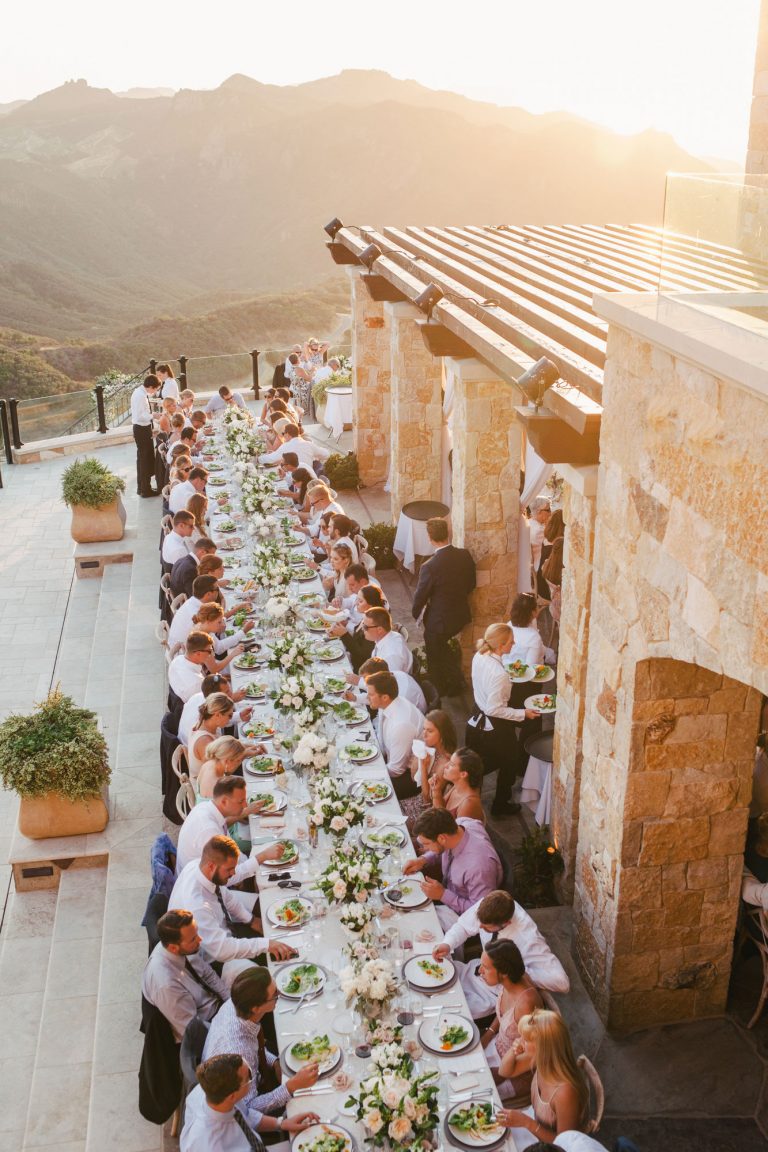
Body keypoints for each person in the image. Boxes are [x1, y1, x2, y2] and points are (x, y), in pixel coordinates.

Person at [203, 967, 321, 1131]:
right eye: (274, 995)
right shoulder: (238, 1051)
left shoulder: (236, 1003)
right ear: (256, 1008)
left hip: (256, 1072)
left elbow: (254, 1048)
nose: (279, 994)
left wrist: (274, 1062)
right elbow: (247, 1108)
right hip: (242, 1103)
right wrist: (291, 1086)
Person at [168, 836, 296, 974]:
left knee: (278, 932)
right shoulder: (197, 905)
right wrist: (266, 945)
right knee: (279, 963)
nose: (233, 873)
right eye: (229, 869)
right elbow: (222, 950)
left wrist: (251, 920)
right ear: (211, 866)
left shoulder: (198, 866)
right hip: (215, 961)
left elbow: (227, 898)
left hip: (227, 934)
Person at [433, 889, 569, 1018]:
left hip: (490, 992)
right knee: (433, 984)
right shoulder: (490, 904)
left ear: (506, 923)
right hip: (473, 971)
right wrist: (447, 943)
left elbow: (562, 982)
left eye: (485, 927)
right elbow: (463, 926)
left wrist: (512, 969)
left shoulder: (528, 936)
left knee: (445, 1009)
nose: (479, 926)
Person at [466, 623, 539, 816]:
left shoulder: (479, 656)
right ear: (500, 645)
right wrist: (523, 713)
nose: (514, 643)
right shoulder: (500, 675)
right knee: (508, 760)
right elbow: (494, 709)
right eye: (510, 641)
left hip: (476, 713)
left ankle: (467, 782)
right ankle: (500, 804)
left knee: (483, 760)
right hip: (493, 723)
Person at [180, 1053, 318, 1152]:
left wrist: (281, 1123)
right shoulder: (206, 1145)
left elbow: (246, 1114)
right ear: (232, 1096)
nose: (253, 1077)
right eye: (249, 1076)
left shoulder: (213, 1091)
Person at [497, 1010, 590, 1143]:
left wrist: (526, 1122)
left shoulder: (565, 1093)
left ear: (543, 1048)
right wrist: (513, 1050)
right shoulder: (541, 1060)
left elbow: (564, 1144)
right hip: (532, 1123)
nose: (521, 1041)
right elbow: (504, 1071)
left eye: (526, 1039)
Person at [404, 808, 503, 929]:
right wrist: (423, 860)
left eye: (427, 844)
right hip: (445, 892)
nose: (425, 848)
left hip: (461, 916)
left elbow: (480, 912)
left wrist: (442, 895)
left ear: (441, 838)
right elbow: (441, 848)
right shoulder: (461, 824)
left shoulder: (478, 867)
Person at [142, 909, 229, 1041]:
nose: (200, 939)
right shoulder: (166, 985)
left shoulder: (179, 947)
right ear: (173, 948)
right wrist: (232, 1031)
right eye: (193, 939)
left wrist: (230, 1002)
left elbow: (208, 974)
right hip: (209, 1027)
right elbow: (193, 1029)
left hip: (216, 1004)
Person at [412, 518, 476, 695]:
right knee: (442, 647)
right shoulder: (464, 555)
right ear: (448, 533)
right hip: (461, 615)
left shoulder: (429, 566)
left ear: (430, 538)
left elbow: (421, 595)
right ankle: (455, 680)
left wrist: (416, 614)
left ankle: (442, 688)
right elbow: (471, 584)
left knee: (433, 648)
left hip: (441, 621)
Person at [479, 940, 543, 1100]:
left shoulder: (526, 1004)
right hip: (495, 1048)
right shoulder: (510, 982)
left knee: (470, 1096)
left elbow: (534, 1055)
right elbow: (504, 1015)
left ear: (504, 972)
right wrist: (487, 1036)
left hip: (515, 1073)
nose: (480, 971)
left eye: (485, 968)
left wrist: (499, 1074)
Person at [176, 777, 272, 880]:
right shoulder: (209, 830)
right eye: (240, 801)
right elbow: (230, 877)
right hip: (200, 884)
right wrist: (263, 857)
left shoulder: (206, 807)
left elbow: (225, 829)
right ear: (224, 801)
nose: (245, 805)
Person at [365, 671, 424, 800]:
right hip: (391, 761)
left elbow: (396, 770)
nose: (367, 697)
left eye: (371, 694)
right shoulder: (388, 703)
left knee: (363, 792)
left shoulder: (401, 725)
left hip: (409, 777)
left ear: (385, 697)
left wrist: (369, 773)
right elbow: (381, 741)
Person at [401, 709, 458, 823]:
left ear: (442, 734)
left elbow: (427, 799)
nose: (424, 734)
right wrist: (418, 759)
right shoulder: (430, 750)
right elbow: (413, 778)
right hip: (416, 799)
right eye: (424, 729)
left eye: (430, 731)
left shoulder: (445, 763)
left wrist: (423, 765)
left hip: (427, 813)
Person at [187, 693, 236, 780]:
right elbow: (224, 771)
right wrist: (244, 754)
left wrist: (245, 748)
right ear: (217, 715)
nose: (230, 719)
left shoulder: (205, 724)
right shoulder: (205, 742)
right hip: (207, 789)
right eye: (229, 715)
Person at [432, 746, 486, 824]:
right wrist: (436, 791)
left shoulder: (468, 804)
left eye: (452, 764)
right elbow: (441, 811)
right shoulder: (457, 787)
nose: (445, 766)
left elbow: (450, 831)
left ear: (463, 774)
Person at [356, 656, 426, 714]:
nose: (365, 683)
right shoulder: (391, 675)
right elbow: (375, 697)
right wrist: (355, 698)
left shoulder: (399, 695)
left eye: (366, 680)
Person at [131, 373, 161, 497]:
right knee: (145, 460)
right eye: (156, 389)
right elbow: (140, 416)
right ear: (151, 387)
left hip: (143, 428)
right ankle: (145, 489)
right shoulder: (140, 396)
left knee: (142, 460)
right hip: (141, 429)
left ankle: (142, 487)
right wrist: (153, 416)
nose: (155, 392)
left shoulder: (140, 393)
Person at [259, 422, 330, 472]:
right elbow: (326, 454)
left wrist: (258, 459)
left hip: (295, 479)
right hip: (308, 476)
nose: (283, 436)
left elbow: (271, 459)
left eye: (283, 434)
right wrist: (315, 456)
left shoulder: (286, 446)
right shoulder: (309, 444)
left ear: (288, 434)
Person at [168, 630, 216, 704]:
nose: (212, 655)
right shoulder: (197, 684)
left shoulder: (177, 660)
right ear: (198, 654)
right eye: (209, 651)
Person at [364, 607, 413, 673]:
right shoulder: (393, 635)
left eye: (365, 627)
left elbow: (389, 681)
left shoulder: (390, 657)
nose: (362, 629)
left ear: (379, 630)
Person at [507, 594, 546, 668]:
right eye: (537, 606)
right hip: (524, 671)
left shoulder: (508, 625)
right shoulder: (534, 637)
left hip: (508, 665)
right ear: (532, 613)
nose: (538, 607)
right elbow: (530, 666)